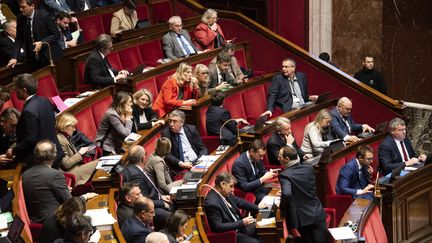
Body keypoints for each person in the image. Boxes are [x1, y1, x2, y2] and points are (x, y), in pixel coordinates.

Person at [22, 140, 96, 223]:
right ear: (54, 155)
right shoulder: (55, 175)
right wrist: (84, 197)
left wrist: (64, 190)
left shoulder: (25, 174)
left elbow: (43, 193)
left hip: (35, 219)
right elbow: (71, 204)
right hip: (55, 221)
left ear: (35, 155)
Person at [7, 73, 64, 168]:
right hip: (54, 152)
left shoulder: (29, 111)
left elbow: (31, 139)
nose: (15, 91)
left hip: (41, 160)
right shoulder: (45, 100)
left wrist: (13, 150)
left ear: (24, 90)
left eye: (16, 88)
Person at [278, 146, 327, 243]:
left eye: (280, 156)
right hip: (317, 212)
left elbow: (287, 194)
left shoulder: (285, 175)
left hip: (302, 218)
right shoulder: (309, 168)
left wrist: (282, 208)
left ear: (286, 159)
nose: (278, 158)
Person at [121, 145, 171, 230]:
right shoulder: (135, 174)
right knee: (172, 216)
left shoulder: (132, 168)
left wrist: (161, 197)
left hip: (155, 198)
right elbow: (143, 199)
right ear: (143, 158)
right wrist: (162, 203)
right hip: (149, 207)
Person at [205, 172, 265, 243]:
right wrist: (241, 223)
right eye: (231, 186)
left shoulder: (225, 193)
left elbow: (239, 201)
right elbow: (218, 226)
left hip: (240, 227)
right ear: (222, 184)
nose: (233, 189)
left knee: (265, 229)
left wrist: (257, 207)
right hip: (231, 234)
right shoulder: (212, 203)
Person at [7, 0, 63, 69]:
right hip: (33, 58)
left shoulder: (45, 15)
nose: (20, 9)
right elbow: (19, 39)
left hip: (50, 55)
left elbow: (56, 34)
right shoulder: (20, 18)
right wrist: (14, 57)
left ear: (32, 6)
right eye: (20, 7)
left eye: (23, 7)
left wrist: (42, 42)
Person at [161, 110, 208, 175]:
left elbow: (203, 148)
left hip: (197, 162)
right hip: (181, 168)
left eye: (174, 121)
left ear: (182, 122)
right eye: (170, 121)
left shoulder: (191, 129)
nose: (171, 124)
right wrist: (181, 163)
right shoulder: (166, 133)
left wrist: (200, 160)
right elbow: (167, 154)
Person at [56, 113, 98, 185]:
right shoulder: (60, 140)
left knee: (103, 162)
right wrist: (80, 153)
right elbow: (66, 165)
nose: (74, 129)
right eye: (72, 126)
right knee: (100, 162)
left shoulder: (64, 137)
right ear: (65, 126)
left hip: (76, 167)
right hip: (71, 172)